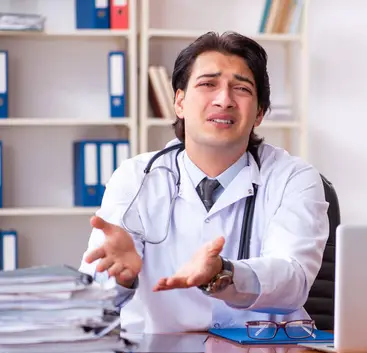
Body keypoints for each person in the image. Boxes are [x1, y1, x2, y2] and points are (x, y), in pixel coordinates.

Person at [78, 31, 330, 334]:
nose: (224, 99)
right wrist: (121, 277)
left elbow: (294, 278)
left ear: (259, 114)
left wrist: (224, 273)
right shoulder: (136, 178)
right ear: (180, 103)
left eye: (241, 89)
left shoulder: (293, 178)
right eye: (208, 84)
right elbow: (91, 303)